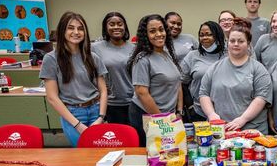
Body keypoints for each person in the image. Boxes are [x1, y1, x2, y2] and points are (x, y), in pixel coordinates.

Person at [40, 11, 108, 147]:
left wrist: (101, 117)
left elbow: (103, 90)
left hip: (96, 110)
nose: (76, 32)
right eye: (71, 28)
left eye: (80, 28)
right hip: (73, 114)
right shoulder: (51, 59)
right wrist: (77, 125)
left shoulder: (92, 57)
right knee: (82, 154)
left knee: (100, 153)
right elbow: (52, 97)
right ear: (62, 31)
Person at [199, 18, 272, 133]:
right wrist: (211, 114)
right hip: (221, 130)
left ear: (248, 44)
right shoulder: (214, 68)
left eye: (241, 41)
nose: (236, 44)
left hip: (250, 131)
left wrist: (243, 119)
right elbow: (204, 93)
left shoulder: (258, 69)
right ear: (227, 42)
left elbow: (261, 98)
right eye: (232, 41)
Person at [127, 14, 183, 145]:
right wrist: (161, 121)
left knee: (166, 155)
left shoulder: (166, 54)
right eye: (152, 31)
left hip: (167, 116)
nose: (159, 34)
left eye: (161, 29)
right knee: (151, 157)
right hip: (147, 115)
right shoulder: (142, 58)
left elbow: (177, 82)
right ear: (145, 35)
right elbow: (142, 92)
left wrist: (179, 111)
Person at [92, 11, 134, 125]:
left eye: (120, 24)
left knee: (136, 138)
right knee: (118, 139)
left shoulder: (134, 48)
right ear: (105, 27)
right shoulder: (96, 47)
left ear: (125, 26)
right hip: (111, 103)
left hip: (134, 102)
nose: (116, 27)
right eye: (112, 24)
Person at [180, 20, 226, 121]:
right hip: (198, 112)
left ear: (218, 36)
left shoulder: (229, 55)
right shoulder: (192, 56)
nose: (204, 38)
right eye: (201, 35)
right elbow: (182, 83)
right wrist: (190, 106)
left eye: (209, 34)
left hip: (226, 112)